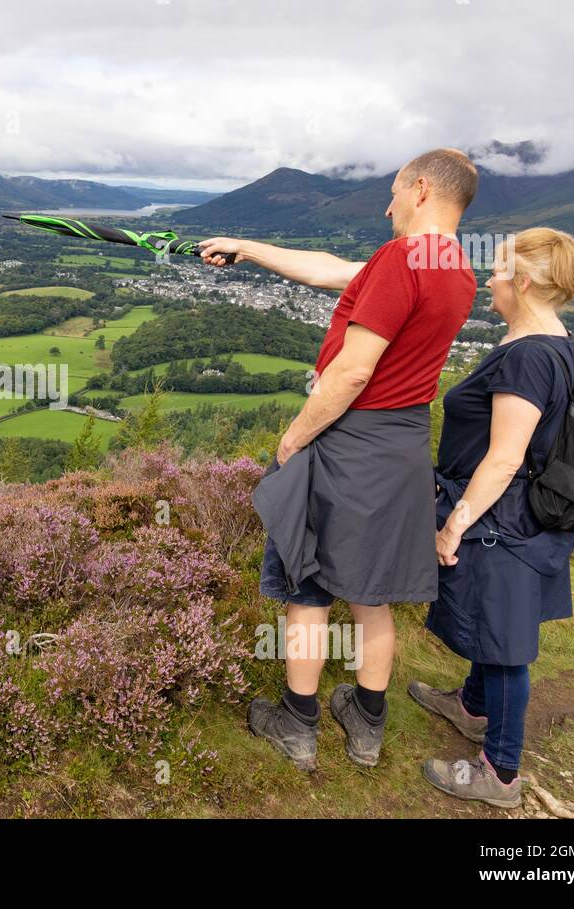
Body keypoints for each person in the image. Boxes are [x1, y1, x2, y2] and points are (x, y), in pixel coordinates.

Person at [198, 148, 478, 771]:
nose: (388, 205)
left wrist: (295, 437)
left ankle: (297, 723)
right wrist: (250, 247)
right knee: (372, 590)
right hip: (403, 446)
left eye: (395, 192)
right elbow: (333, 270)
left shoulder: (402, 257)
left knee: (309, 579)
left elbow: (353, 371)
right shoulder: (453, 266)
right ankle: (367, 724)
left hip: (349, 441)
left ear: (422, 188)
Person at [414, 228, 574, 807]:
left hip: (502, 520)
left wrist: (454, 524)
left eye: (496, 271)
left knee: (506, 646)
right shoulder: (552, 340)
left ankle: (501, 772)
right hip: (520, 517)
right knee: (494, 625)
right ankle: (472, 707)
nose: (488, 280)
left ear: (520, 282)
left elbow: (504, 457)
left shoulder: (528, 357)